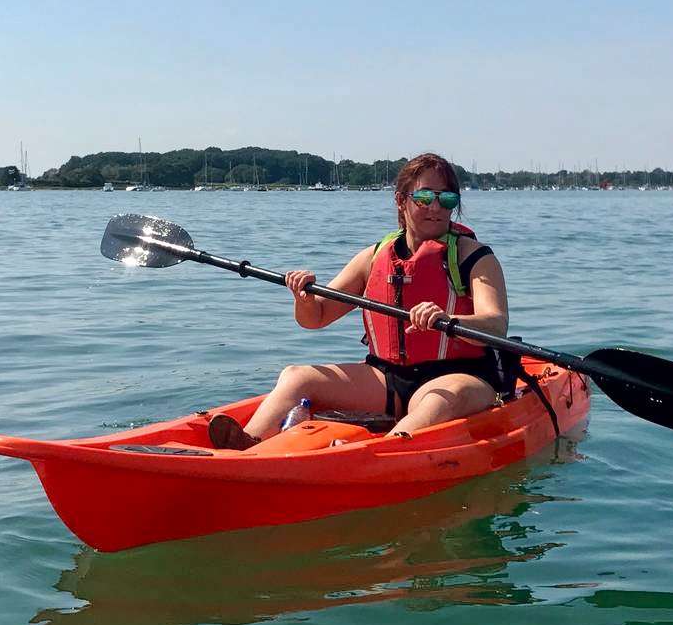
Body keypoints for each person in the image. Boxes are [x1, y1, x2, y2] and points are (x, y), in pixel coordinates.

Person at [208, 152, 510, 450]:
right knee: (296, 376)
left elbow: (495, 324)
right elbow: (316, 318)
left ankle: (382, 453)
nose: (435, 207)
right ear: (401, 200)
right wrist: (304, 298)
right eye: (424, 197)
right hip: (386, 380)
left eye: (446, 200)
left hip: (459, 377)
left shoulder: (475, 257)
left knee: (442, 398)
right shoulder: (375, 257)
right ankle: (247, 445)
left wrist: (448, 320)